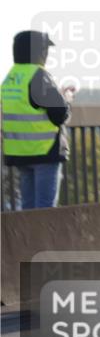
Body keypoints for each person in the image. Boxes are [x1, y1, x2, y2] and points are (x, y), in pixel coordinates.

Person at [1, 31, 73, 209]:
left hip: (20, 152)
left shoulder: (10, 78)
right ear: (39, 52)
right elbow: (59, 115)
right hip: (44, 151)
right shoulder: (38, 76)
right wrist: (66, 99)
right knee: (45, 209)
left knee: (28, 209)